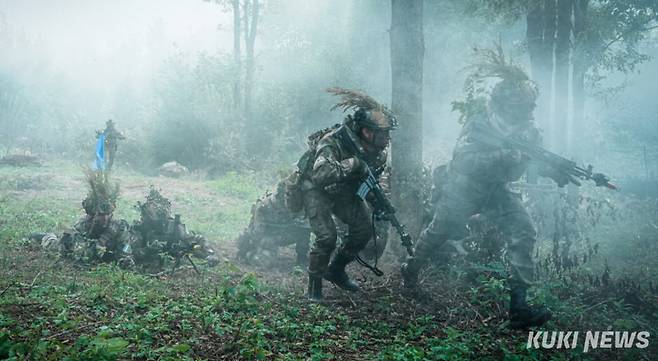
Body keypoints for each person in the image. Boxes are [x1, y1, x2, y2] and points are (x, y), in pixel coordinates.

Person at [401, 46, 569, 329]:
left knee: (524, 230)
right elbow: (463, 161)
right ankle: (410, 270)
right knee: (436, 234)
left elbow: (530, 163)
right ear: (506, 104)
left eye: (529, 107)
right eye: (520, 107)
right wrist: (503, 155)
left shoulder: (528, 132)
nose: (526, 112)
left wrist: (554, 171)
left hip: (495, 191)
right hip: (462, 189)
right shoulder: (480, 124)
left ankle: (519, 307)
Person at [299, 87, 396, 302]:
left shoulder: (376, 152)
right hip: (316, 190)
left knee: (362, 230)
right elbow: (321, 174)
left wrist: (379, 203)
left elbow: (369, 181)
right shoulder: (334, 141)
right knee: (327, 237)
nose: (387, 139)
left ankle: (336, 270)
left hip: (343, 191)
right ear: (367, 131)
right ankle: (314, 286)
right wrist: (354, 164)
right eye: (384, 133)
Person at [32, 169, 134, 268]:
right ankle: (47, 236)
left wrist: (124, 260)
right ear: (92, 215)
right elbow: (81, 253)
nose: (106, 218)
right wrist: (98, 249)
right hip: (73, 246)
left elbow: (125, 248)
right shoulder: (83, 226)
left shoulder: (119, 227)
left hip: (101, 252)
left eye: (108, 214)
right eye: (101, 215)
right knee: (55, 246)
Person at [130, 187, 219, 271]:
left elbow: (198, 239)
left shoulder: (174, 226)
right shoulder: (141, 229)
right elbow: (132, 253)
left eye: (163, 219)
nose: (162, 223)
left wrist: (210, 253)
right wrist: (148, 250)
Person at [237, 180, 310, 266]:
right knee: (263, 262)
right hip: (267, 237)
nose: (290, 200)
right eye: (287, 196)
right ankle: (248, 254)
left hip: (284, 234)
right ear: (280, 196)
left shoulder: (295, 204)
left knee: (304, 231)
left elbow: (304, 225)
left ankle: (302, 258)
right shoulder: (264, 206)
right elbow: (258, 233)